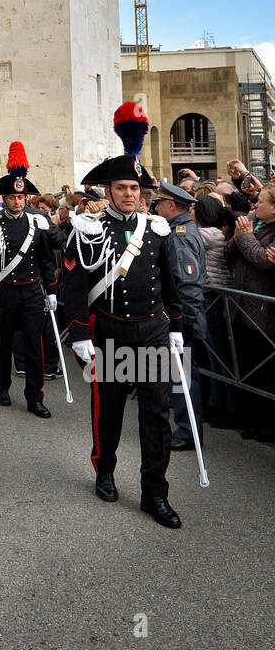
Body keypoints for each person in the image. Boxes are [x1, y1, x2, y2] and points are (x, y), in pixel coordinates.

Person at [63, 102, 183, 528]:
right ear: (109, 191)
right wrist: (80, 335)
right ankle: (105, 470)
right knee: (109, 410)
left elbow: (172, 284)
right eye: (121, 188)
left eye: (135, 189)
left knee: (155, 414)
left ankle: (155, 494)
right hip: (109, 332)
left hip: (151, 331)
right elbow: (73, 286)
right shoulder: (89, 230)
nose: (129, 194)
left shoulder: (158, 230)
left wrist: (177, 328)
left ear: (142, 192)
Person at [0, 143, 57, 417]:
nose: (16, 202)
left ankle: (35, 396)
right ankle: (2, 386)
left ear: (26, 200)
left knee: (34, 344)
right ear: (5, 198)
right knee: (2, 343)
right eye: (12, 197)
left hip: (31, 292)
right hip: (4, 292)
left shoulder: (38, 223)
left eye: (21, 198)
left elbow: (47, 259)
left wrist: (51, 290)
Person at [151, 179, 207, 452]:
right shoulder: (175, 229)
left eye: (160, 203)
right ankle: (186, 427)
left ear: (171, 205)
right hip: (182, 315)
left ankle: (187, 431)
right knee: (180, 374)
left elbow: (186, 283)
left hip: (183, 317)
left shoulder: (180, 234)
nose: (157, 207)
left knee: (182, 377)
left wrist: (178, 319)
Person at [224, 183, 275, 440]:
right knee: (247, 367)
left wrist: (245, 238)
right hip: (241, 306)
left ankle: (266, 425)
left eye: (262, 202)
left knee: (264, 370)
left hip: (263, 311)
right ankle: (252, 421)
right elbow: (229, 254)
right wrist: (237, 238)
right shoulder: (255, 224)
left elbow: (264, 262)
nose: (255, 206)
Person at [193, 194, 238, 428]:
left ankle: (225, 406)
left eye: (193, 208)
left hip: (213, 297)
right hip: (213, 296)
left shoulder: (206, 234)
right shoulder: (215, 233)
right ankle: (217, 403)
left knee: (219, 355)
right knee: (216, 355)